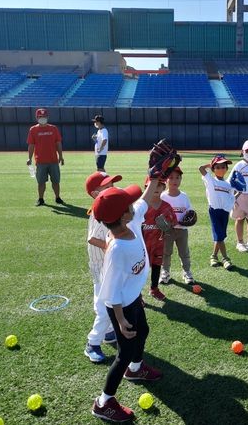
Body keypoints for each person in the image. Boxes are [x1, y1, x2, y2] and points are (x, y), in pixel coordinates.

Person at [91, 181, 163, 422]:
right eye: (127, 204)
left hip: (132, 297)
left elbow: (142, 199)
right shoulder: (118, 249)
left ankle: (136, 369)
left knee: (143, 330)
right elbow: (110, 292)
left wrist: (154, 176)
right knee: (124, 352)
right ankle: (104, 402)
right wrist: (120, 320)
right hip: (120, 306)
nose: (133, 203)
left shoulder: (129, 221)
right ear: (122, 217)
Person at [84, 171, 123, 363]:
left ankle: (108, 333)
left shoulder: (107, 205)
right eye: (107, 187)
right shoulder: (99, 210)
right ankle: (92, 342)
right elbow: (92, 238)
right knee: (104, 305)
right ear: (94, 193)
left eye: (112, 185)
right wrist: (112, 247)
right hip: (101, 264)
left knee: (105, 299)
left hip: (104, 263)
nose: (112, 188)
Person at [142, 177, 177, 301]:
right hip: (142, 244)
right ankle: (137, 295)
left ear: (164, 187)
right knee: (140, 270)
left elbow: (173, 223)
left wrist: (167, 225)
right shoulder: (142, 206)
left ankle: (154, 288)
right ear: (147, 188)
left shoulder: (166, 206)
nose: (156, 188)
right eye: (153, 185)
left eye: (159, 185)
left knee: (156, 266)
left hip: (159, 243)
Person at [159, 167, 196, 285]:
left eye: (177, 177)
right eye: (171, 177)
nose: (174, 180)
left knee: (184, 252)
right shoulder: (163, 196)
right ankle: (165, 272)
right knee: (166, 252)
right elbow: (158, 214)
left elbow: (189, 212)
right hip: (167, 231)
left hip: (182, 231)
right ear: (166, 180)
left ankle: (187, 272)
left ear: (181, 179)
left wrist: (190, 218)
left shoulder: (184, 196)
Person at [199, 154, 235, 270]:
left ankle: (213, 256)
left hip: (224, 212)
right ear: (213, 169)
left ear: (226, 169)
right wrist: (211, 164)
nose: (221, 169)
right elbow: (201, 168)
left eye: (223, 167)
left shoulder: (228, 184)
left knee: (220, 236)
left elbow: (231, 198)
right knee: (219, 235)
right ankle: (225, 258)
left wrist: (240, 191)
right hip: (214, 211)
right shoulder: (211, 180)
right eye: (217, 167)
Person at [26, 108, 64, 206]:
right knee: (41, 182)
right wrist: (29, 158)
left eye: (44, 117)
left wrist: (61, 156)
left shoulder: (53, 128)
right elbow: (31, 145)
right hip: (40, 161)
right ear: (37, 118)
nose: (42, 118)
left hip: (53, 160)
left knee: (56, 181)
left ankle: (57, 197)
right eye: (40, 117)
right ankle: (41, 199)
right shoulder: (33, 129)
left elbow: (58, 143)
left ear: (47, 117)